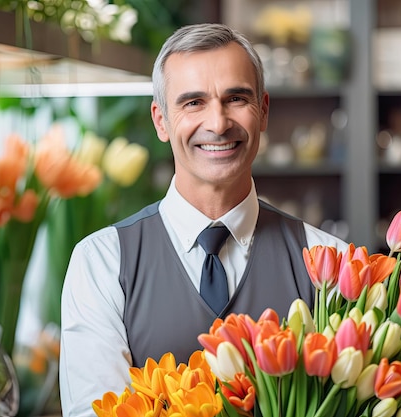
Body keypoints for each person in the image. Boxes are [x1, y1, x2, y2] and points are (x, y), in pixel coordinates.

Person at [59, 22, 348, 417]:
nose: (217, 123)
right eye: (193, 102)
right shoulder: (102, 262)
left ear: (263, 112)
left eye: (236, 99)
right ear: (161, 121)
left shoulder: (331, 261)